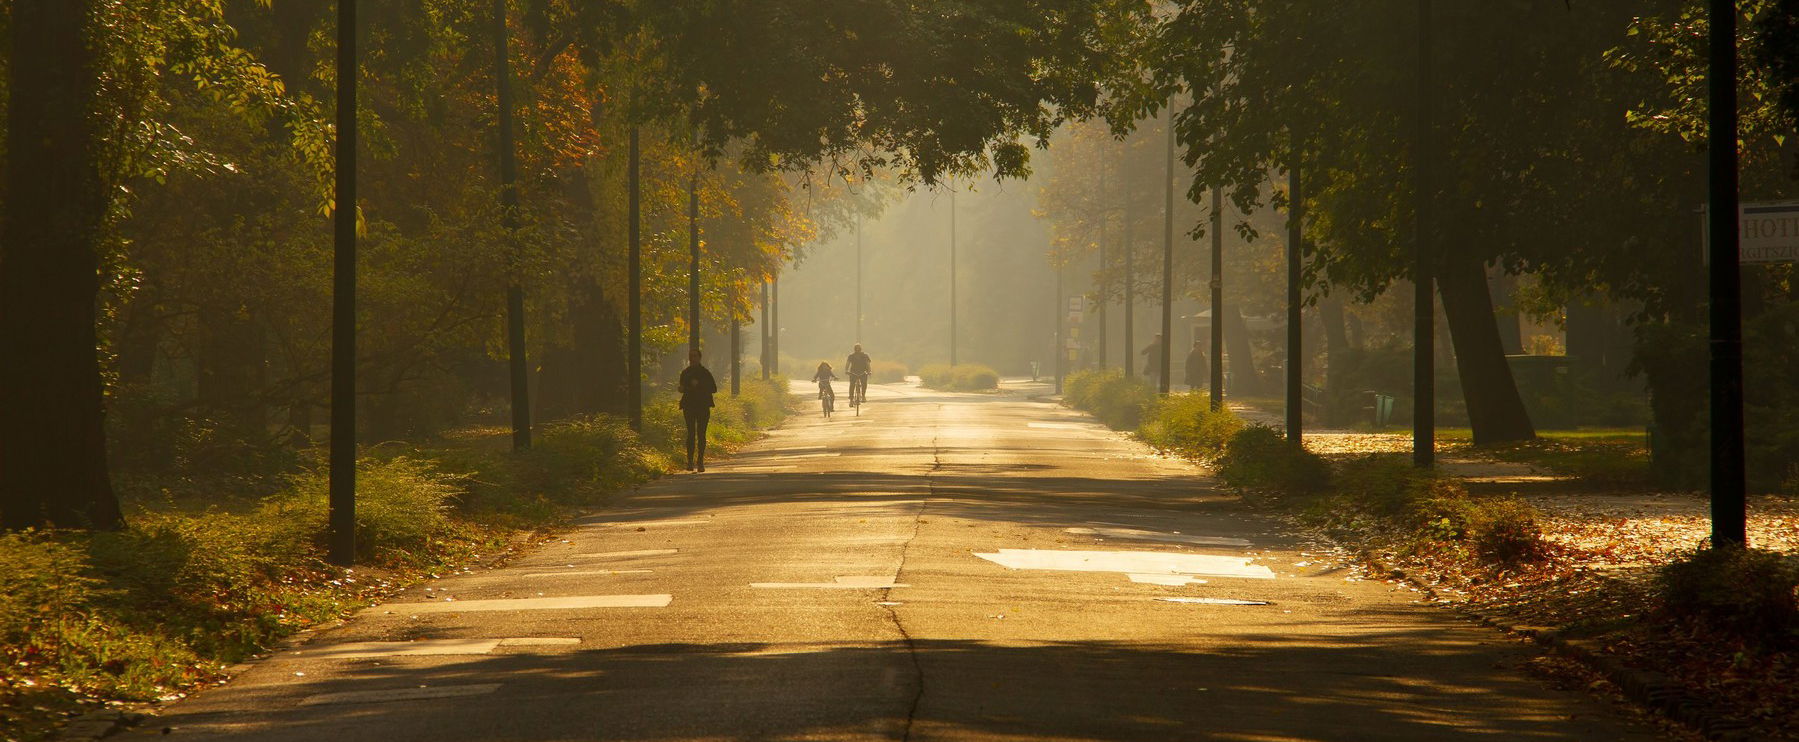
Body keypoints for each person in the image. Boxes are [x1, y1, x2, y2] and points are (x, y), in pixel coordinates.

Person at [678, 348, 718, 472]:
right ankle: (690, 461)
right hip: (689, 405)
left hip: (702, 406)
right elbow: (682, 387)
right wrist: (682, 388)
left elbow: (713, 388)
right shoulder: (685, 372)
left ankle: (700, 461)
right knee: (690, 434)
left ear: (699, 358)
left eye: (695, 356)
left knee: (701, 434)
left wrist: (699, 385)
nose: (692, 358)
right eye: (691, 356)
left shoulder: (705, 373)